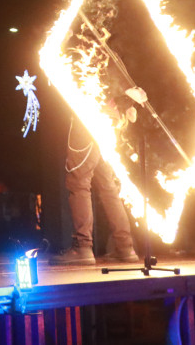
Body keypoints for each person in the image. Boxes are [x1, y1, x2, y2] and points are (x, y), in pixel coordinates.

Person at [50, 92, 139, 266]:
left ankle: (82, 247)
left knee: (79, 182)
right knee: (108, 186)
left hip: (90, 115)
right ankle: (125, 246)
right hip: (112, 118)